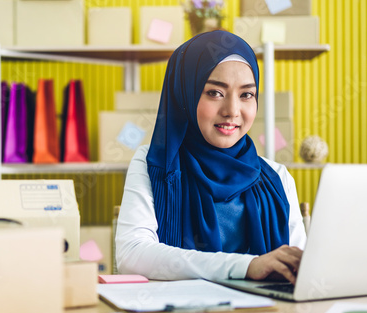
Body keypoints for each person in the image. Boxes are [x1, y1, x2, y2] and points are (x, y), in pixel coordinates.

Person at [115, 31, 306, 284]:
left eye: (246, 94)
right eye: (215, 92)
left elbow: (297, 264)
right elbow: (132, 255)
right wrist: (246, 266)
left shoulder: (276, 176)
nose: (232, 111)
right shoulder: (155, 163)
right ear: (186, 94)